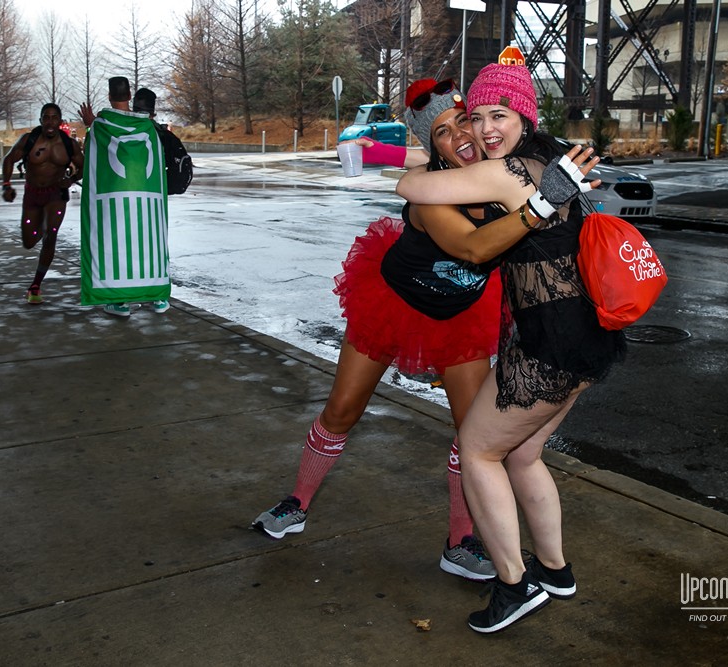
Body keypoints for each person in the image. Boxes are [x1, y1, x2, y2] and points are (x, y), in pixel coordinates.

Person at [252, 78, 602, 582]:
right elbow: (474, 248)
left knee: (474, 434)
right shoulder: (431, 196)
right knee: (342, 410)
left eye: (464, 121)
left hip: (461, 312)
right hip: (393, 303)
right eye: (442, 132)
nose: (460, 135)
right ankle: (297, 501)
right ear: (432, 146)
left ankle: (460, 540)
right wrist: (539, 205)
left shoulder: (501, 173)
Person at [396, 62, 623, 633]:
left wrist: (420, 149)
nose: (485, 129)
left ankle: (513, 584)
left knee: (477, 452)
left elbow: (410, 188)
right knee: (521, 455)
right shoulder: (550, 159)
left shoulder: (507, 171)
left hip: (548, 342)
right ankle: (556, 570)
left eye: (499, 115)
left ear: (525, 115)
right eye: (476, 117)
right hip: (586, 336)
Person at [78, 77, 171, 316]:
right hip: (148, 200)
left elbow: (92, 155)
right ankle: (158, 297)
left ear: (109, 96)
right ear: (130, 96)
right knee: (150, 242)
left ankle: (119, 302)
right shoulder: (148, 127)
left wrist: (90, 125)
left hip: (114, 201)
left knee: (115, 246)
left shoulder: (101, 126)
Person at [1, 103, 84, 305]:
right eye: (46, 117)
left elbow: (84, 166)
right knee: (28, 242)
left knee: (51, 234)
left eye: (54, 118)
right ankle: (41, 228)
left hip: (56, 195)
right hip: (33, 194)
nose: (50, 122)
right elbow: (9, 160)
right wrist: (6, 185)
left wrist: (71, 179)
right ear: (40, 120)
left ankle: (36, 285)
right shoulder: (29, 140)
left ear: (60, 122)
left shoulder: (68, 145)